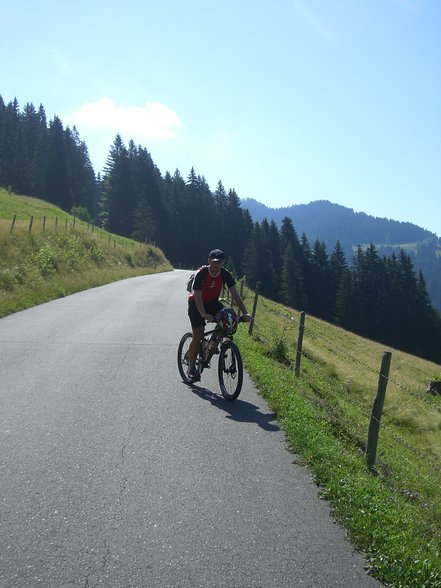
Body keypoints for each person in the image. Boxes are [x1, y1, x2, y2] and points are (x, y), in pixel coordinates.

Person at [187, 248, 252, 382]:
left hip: (212, 302)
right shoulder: (202, 273)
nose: (217, 265)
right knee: (198, 334)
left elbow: (235, 294)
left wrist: (245, 313)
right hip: (196, 303)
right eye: (214, 262)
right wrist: (203, 313)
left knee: (226, 318)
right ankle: (191, 368)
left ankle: (210, 346)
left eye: (220, 262)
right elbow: (197, 295)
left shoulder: (225, 274)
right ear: (209, 261)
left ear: (223, 263)